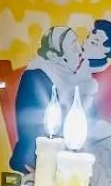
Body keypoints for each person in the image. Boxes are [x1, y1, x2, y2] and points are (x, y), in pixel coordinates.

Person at [9, 25, 85, 173]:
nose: (80, 51)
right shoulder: (35, 79)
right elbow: (33, 131)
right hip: (34, 164)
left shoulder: (71, 78)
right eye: (73, 46)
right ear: (54, 56)